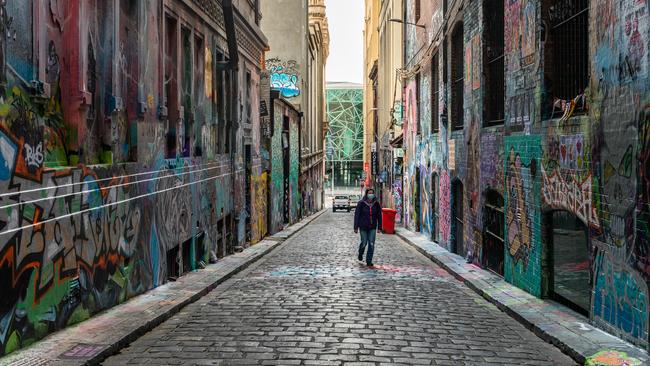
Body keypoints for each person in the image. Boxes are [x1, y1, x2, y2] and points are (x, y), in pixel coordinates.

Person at [354, 188, 382, 267]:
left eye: (372, 193)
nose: (370, 195)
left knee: (371, 243)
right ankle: (360, 253)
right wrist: (355, 227)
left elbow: (379, 216)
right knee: (364, 242)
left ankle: (369, 261)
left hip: (372, 227)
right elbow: (357, 215)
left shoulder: (376, 204)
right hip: (363, 227)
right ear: (366, 194)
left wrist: (379, 227)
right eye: (369, 193)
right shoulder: (361, 203)